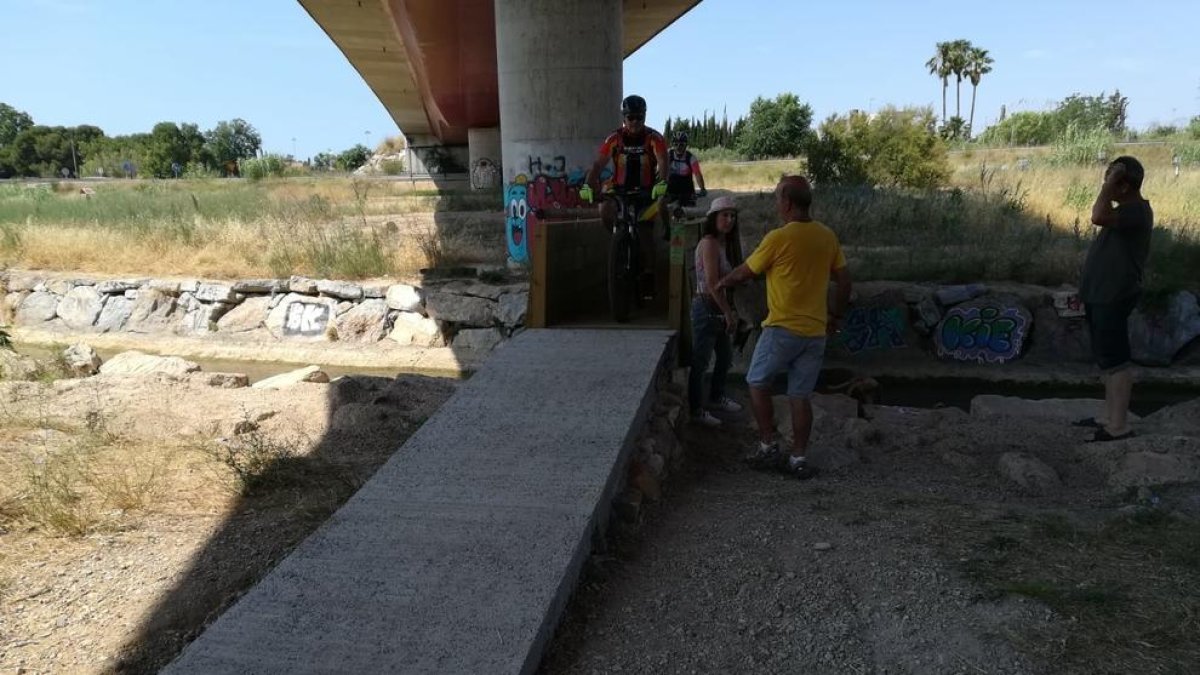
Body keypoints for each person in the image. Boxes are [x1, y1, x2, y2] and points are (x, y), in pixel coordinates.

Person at [716, 176, 851, 480]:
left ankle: (768, 445)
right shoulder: (827, 236)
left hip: (782, 329)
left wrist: (722, 281)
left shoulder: (778, 238)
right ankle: (798, 458)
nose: (776, 203)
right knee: (800, 395)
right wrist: (836, 317)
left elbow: (746, 271)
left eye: (778, 197)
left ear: (787, 203)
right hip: (815, 333)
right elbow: (844, 281)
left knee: (756, 382)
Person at [1073, 156, 1152, 442]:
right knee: (1106, 359)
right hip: (1100, 294)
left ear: (1124, 185)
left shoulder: (1137, 212)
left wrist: (1108, 186)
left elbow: (1096, 216)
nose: (1105, 185)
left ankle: (1118, 426)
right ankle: (1109, 417)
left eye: (1111, 180)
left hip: (1114, 295)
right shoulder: (1125, 210)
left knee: (1116, 361)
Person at [580, 95, 669, 288]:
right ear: (624, 117)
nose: (635, 122)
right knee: (604, 209)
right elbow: (598, 164)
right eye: (631, 118)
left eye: (639, 117)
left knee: (644, 229)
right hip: (619, 186)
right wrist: (588, 185)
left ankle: (649, 272)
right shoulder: (614, 138)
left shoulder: (654, 137)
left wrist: (662, 182)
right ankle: (617, 239)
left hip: (646, 188)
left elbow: (663, 161)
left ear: (644, 117)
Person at [690, 196, 744, 427]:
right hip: (706, 306)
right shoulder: (710, 242)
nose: (729, 220)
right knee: (701, 361)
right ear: (713, 218)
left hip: (717, 305)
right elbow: (712, 283)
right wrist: (729, 313)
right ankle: (695, 409)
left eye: (732, 216)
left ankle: (716, 397)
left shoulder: (723, 244)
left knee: (724, 357)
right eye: (725, 215)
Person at [666, 131, 707, 206]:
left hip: (686, 187)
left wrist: (702, 188)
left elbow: (697, 174)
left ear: (686, 145)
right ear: (673, 145)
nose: (678, 147)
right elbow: (661, 169)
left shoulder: (691, 158)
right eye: (676, 144)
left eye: (681, 145)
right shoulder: (668, 154)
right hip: (671, 186)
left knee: (690, 207)